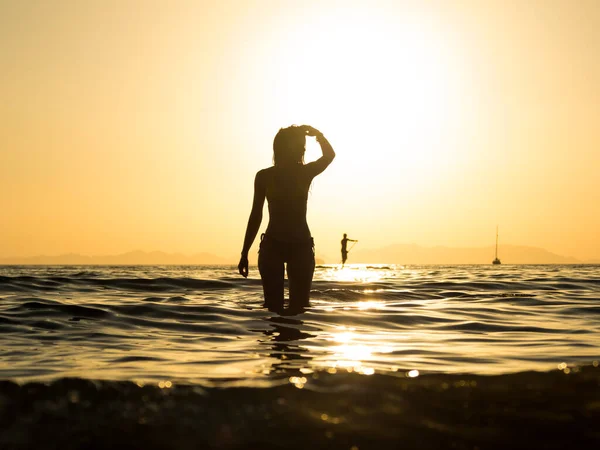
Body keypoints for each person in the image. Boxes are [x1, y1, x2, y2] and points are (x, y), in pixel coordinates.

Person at [238, 125, 335, 312]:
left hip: (301, 247)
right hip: (272, 246)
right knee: (273, 307)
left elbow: (330, 156)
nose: (303, 149)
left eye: (303, 145)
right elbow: (256, 214)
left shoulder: (305, 172)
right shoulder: (264, 176)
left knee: (300, 308)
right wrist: (244, 252)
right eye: (300, 145)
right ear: (284, 147)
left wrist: (319, 135)